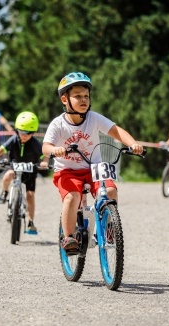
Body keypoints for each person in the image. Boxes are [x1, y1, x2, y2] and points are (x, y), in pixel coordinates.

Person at [42, 72, 143, 252]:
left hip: (94, 168)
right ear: (64, 99)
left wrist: (133, 143)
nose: (84, 100)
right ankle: (69, 238)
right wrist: (54, 150)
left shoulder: (94, 118)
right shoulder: (58, 124)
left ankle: (109, 228)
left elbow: (116, 131)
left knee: (111, 191)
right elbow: (46, 147)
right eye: (78, 96)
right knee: (72, 198)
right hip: (67, 171)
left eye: (86, 96)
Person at [0, 111, 48, 235]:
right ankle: (4, 193)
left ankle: (31, 222)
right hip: (15, 168)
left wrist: (44, 162)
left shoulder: (36, 144)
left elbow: (45, 155)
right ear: (17, 130)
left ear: (33, 133)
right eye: (22, 132)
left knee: (30, 196)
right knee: (7, 176)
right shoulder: (14, 140)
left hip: (30, 172)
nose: (24, 136)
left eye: (28, 133)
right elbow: (1, 149)